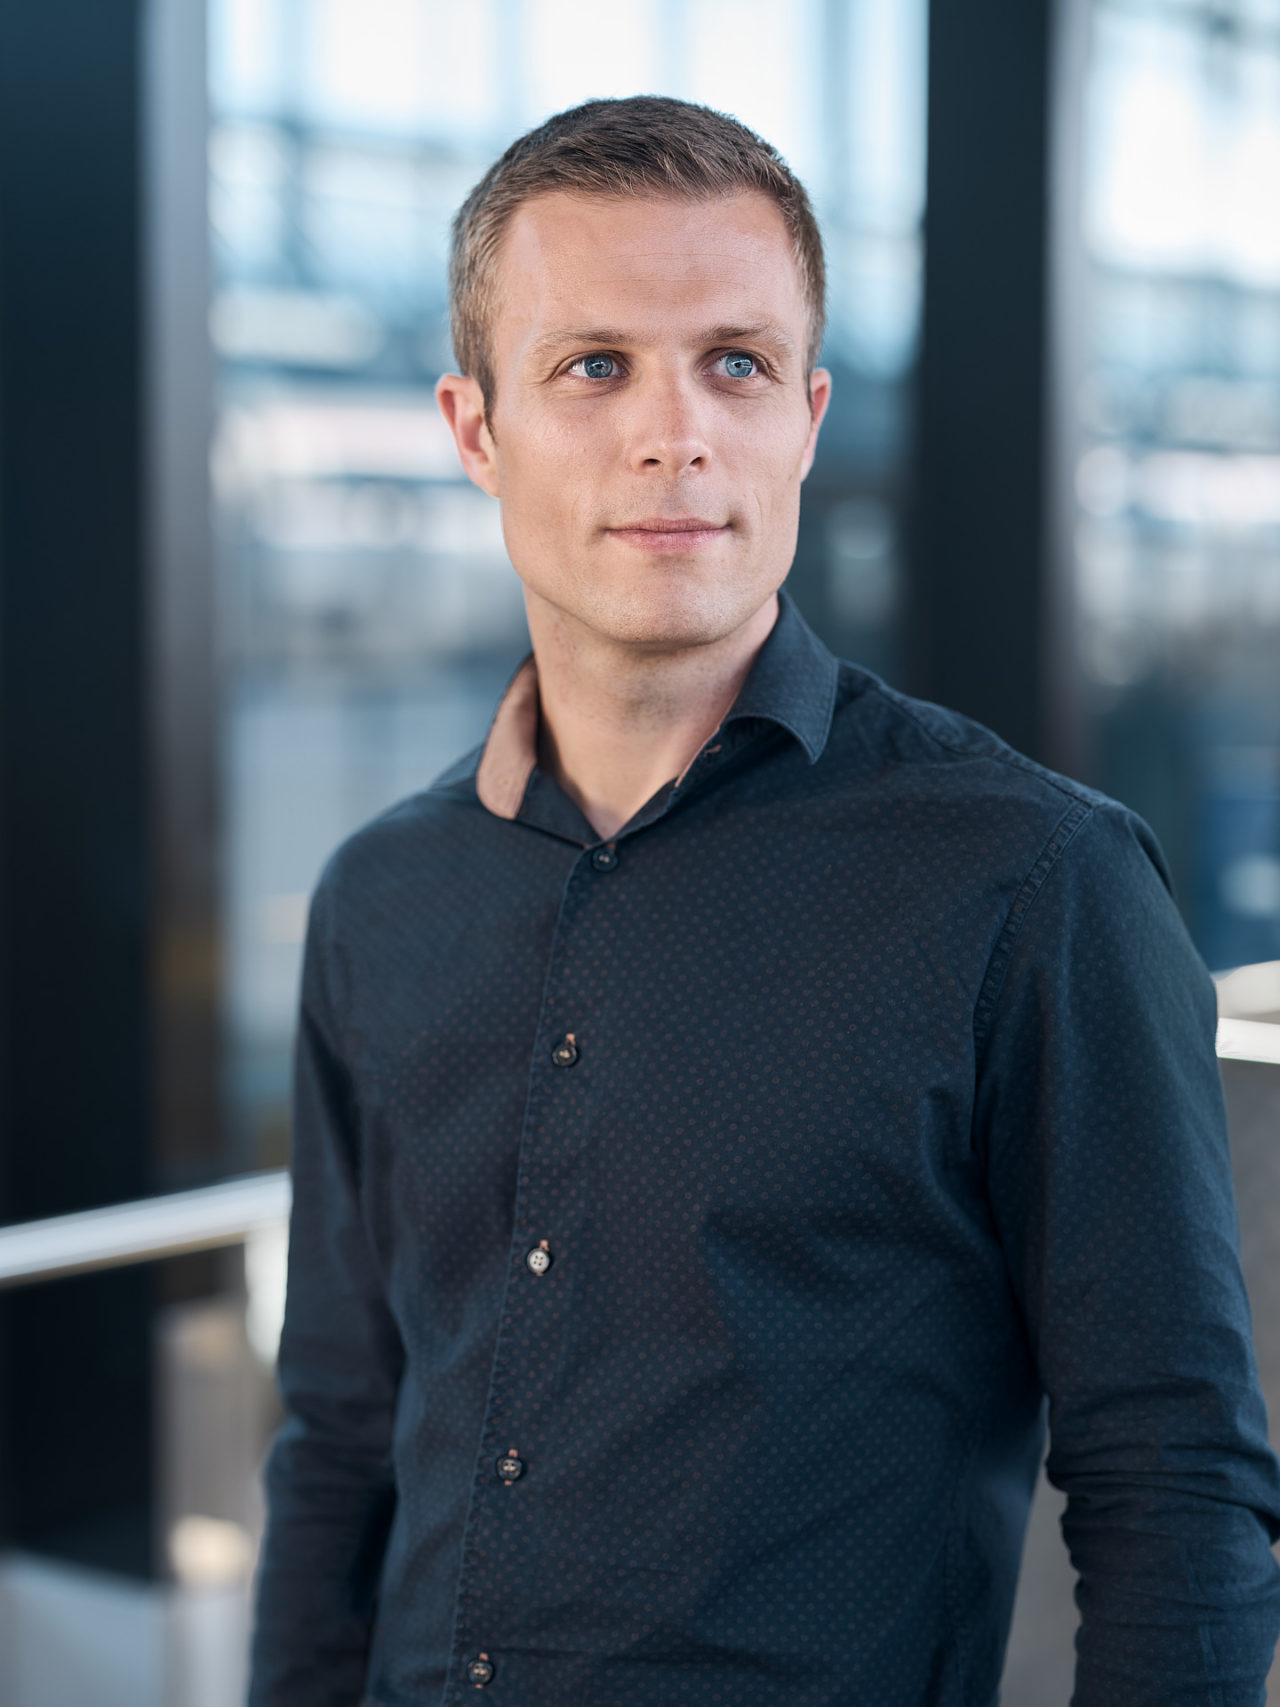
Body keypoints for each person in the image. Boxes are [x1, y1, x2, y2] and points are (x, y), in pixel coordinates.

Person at [248, 95, 1280, 1707]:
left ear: (804, 416)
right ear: (473, 429)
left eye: (733, 363)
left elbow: (1178, 1487)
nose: (679, 433)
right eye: (594, 367)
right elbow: (338, 1442)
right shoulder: (383, 897)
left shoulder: (1036, 884)